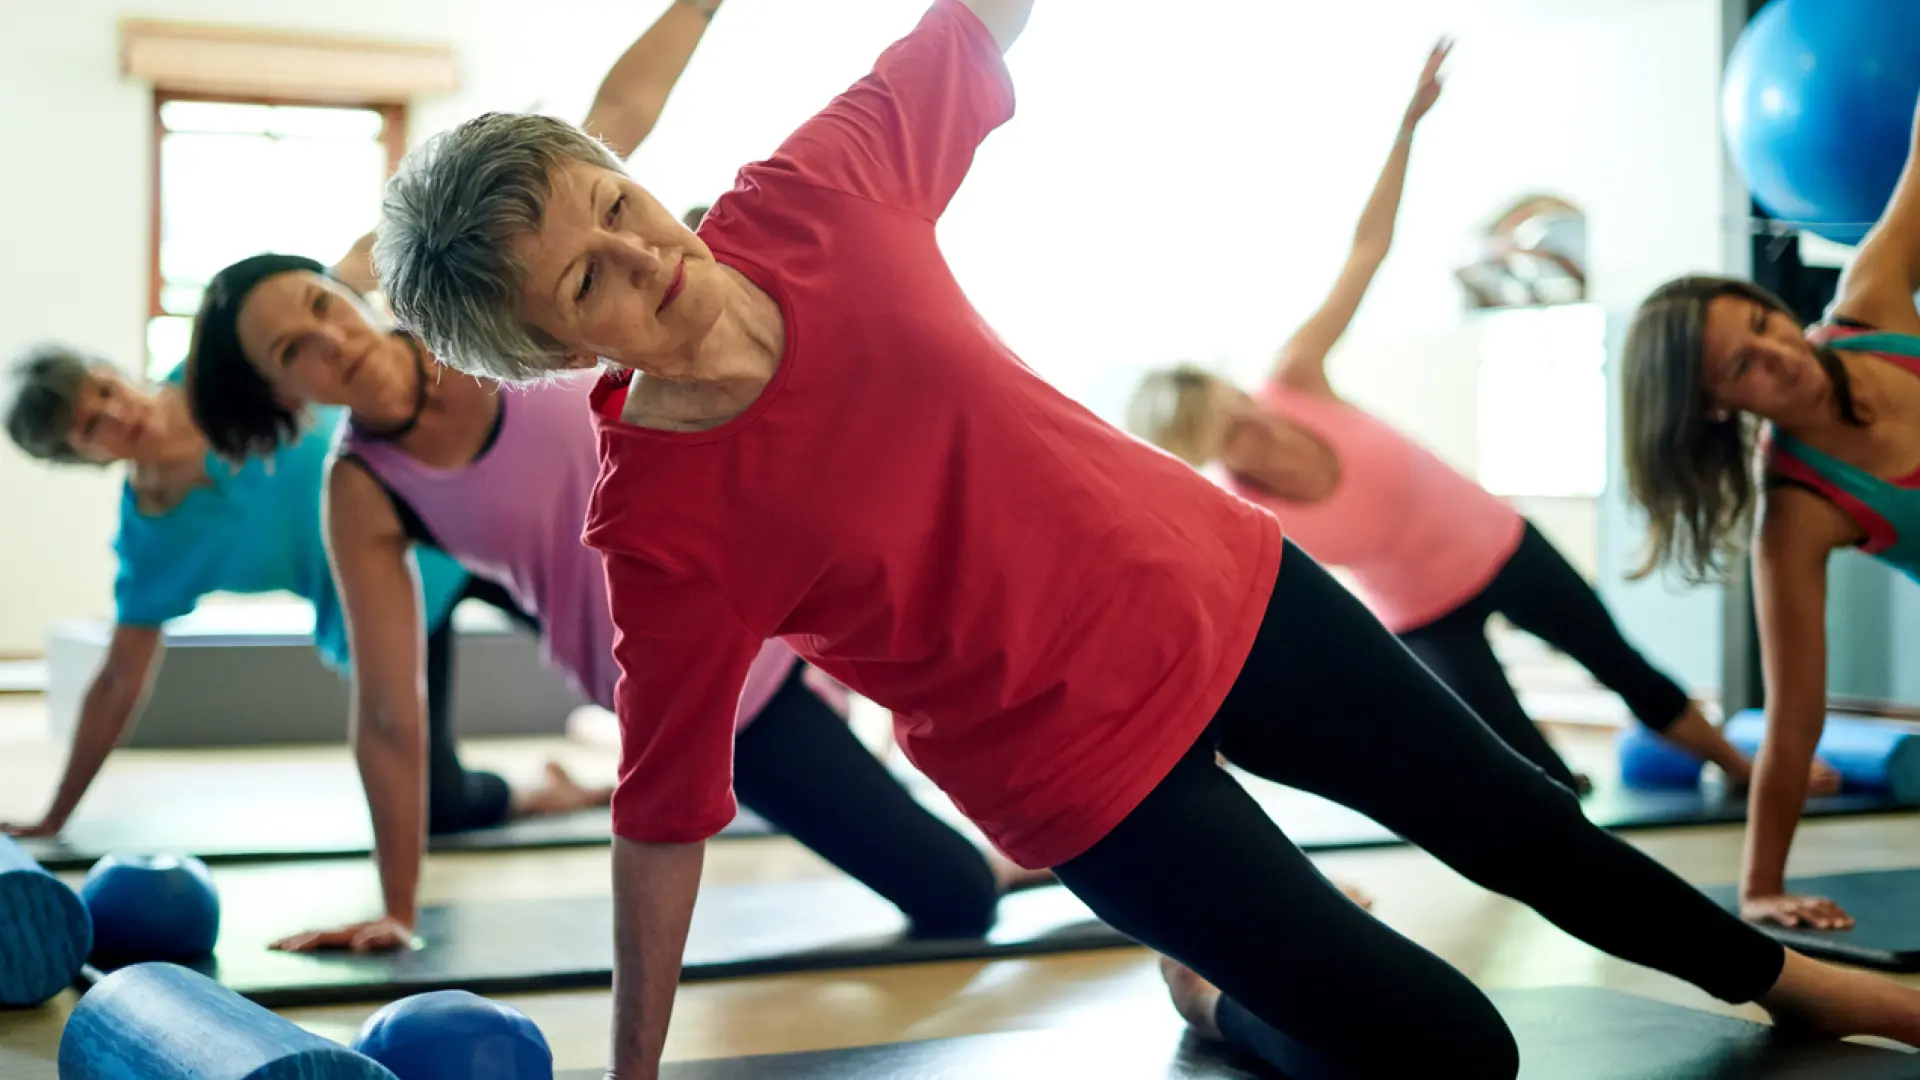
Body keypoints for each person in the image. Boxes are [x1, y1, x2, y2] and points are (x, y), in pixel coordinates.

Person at [373, 3, 1920, 1076]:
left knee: (1532, 831)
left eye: (618, 202)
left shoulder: (811, 194)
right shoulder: (656, 521)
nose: (650, 253)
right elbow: (662, 813)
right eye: (588, 282)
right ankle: (1216, 989)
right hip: (1074, 772)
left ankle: (1811, 993)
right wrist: (633, 1075)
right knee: (1458, 1051)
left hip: (1226, 592)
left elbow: (979, 18)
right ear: (544, 353)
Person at [182, 0, 1044, 955]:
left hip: (787, 543)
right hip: (695, 670)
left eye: (318, 304)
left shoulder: (477, 294)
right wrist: (399, 903)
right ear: (281, 393)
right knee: (957, 897)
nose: (329, 340)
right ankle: (1012, 856)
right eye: (292, 351)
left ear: (340, 284)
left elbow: (616, 117)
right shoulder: (365, 491)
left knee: (1012, 689)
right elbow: (390, 712)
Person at [1124, 43, 1836, 804]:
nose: (1254, 430)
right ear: (1205, 450)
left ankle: (1742, 770)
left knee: (1626, 669)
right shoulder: (1245, 510)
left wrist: (1406, 131)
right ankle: (1567, 817)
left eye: (1241, 409)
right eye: (1231, 437)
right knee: (1526, 776)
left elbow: (1368, 251)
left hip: (1499, 542)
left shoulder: (1294, 376)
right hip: (1425, 617)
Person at [0, 343, 594, 841]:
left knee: (619, 650)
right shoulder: (153, 540)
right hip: (387, 604)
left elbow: (316, 331)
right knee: (435, 809)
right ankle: (551, 791)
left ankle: (679, 766)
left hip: (455, 512)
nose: (114, 412)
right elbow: (116, 682)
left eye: (104, 389)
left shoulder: (218, 374)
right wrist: (56, 814)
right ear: (80, 457)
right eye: (89, 425)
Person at [1621, 91, 1920, 933]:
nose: (1778, 354)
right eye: (1740, 366)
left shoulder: (1872, 307)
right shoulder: (1796, 515)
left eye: (1763, 322)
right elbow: (1793, 718)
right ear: (1716, 406)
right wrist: (1760, 885)